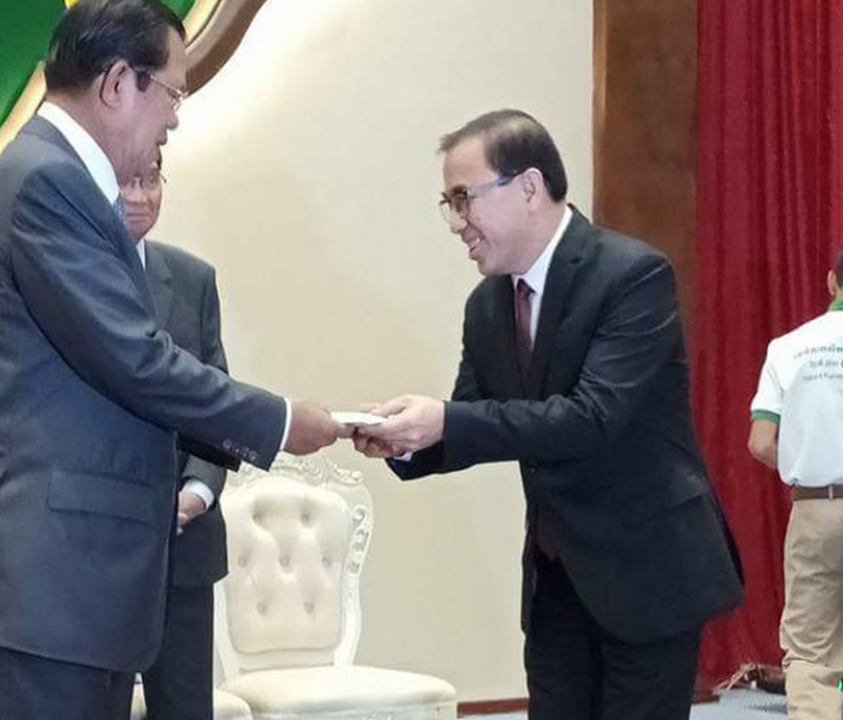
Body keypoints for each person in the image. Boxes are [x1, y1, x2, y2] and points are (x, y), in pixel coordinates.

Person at [0, 0, 344, 720]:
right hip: (43, 588)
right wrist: (281, 421)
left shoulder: (48, 174)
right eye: (173, 93)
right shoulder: (47, 180)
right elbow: (136, 360)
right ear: (119, 82)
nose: (175, 118)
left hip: (65, 593)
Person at [355, 109, 743, 720]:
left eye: (464, 199)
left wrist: (447, 420)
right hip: (557, 582)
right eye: (448, 204)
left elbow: (592, 418)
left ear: (529, 187)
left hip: (648, 572)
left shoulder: (632, 276)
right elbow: (476, 421)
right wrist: (404, 440)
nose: (457, 223)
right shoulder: (487, 305)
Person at [121, 159, 229, 720]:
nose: (140, 196)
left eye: (151, 180)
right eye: (125, 182)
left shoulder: (193, 280)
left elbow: (218, 409)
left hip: (182, 546)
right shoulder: (61, 277)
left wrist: (197, 492)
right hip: (94, 553)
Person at [748, 249, 843, 720]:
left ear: (831, 282)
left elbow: (761, 441)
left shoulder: (787, 348)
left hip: (817, 506)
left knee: (811, 653)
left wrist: (805, 463)